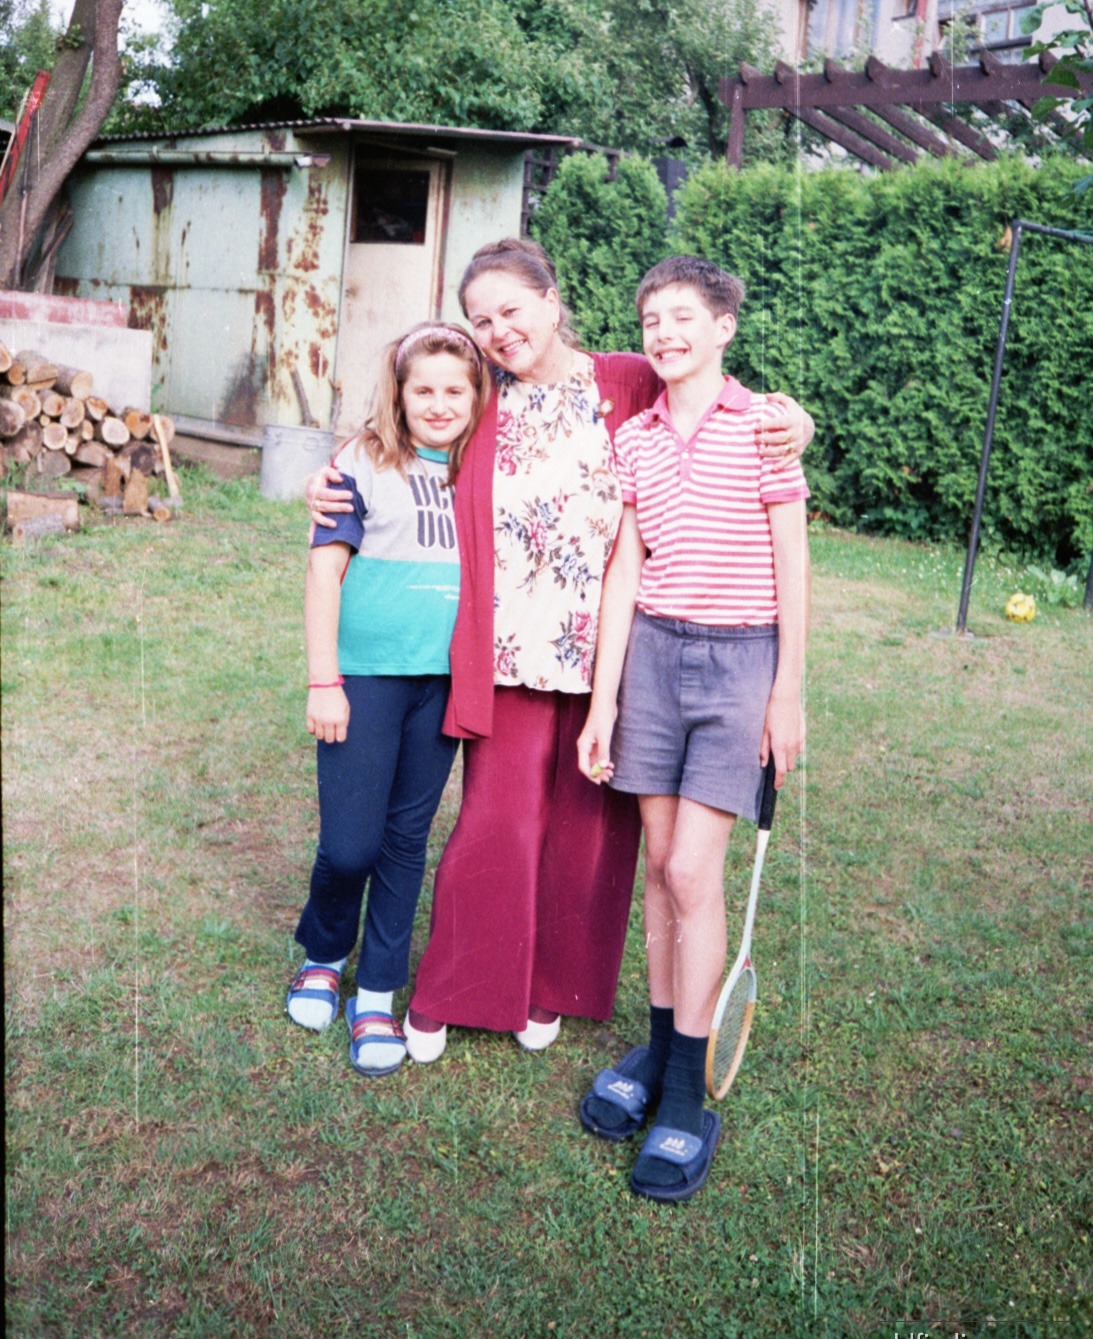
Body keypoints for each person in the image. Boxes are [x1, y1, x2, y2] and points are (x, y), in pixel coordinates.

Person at [306, 239, 814, 1063]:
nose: (499, 329)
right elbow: (399, 433)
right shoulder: (480, 401)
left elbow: (720, 391)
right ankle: (455, 989)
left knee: (586, 836)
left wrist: (796, 419)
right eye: (482, 319)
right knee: (497, 824)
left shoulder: (623, 379)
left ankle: (549, 986)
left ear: (551, 299)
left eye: (512, 308)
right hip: (506, 653)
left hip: (617, 657)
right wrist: (327, 478)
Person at [575, 255, 810, 1203]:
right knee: (660, 865)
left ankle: (684, 1092)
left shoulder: (763, 427)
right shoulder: (632, 437)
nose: (663, 332)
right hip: (653, 664)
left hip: (739, 661)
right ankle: (666, 1037)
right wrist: (602, 701)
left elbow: (792, 566)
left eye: (682, 316)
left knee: (688, 873)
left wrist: (785, 692)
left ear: (723, 327)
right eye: (650, 319)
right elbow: (625, 570)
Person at [286, 323, 490, 1077]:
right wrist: (323, 679)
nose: (439, 404)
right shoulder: (359, 463)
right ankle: (323, 954)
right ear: (398, 395)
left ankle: (375, 990)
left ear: (476, 397)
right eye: (423, 389)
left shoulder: (483, 467)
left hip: (441, 685)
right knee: (349, 844)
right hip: (364, 679)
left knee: (406, 840)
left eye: (454, 390)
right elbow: (322, 576)